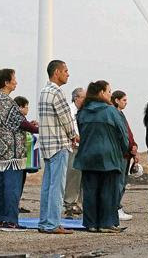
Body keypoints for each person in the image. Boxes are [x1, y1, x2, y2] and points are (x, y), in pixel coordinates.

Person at [74, 80, 129, 233]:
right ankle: (106, 223)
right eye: (109, 91)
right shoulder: (111, 111)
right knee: (108, 190)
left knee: (90, 191)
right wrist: (124, 150)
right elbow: (122, 134)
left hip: (87, 156)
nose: (110, 95)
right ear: (101, 93)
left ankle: (91, 224)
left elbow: (81, 131)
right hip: (108, 157)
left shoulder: (82, 111)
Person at [0, 68, 38, 232]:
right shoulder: (6, 101)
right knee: (12, 187)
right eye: (14, 78)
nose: (16, 81)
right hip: (12, 153)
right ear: (6, 82)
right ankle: (10, 220)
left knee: (0, 187)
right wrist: (38, 128)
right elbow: (20, 123)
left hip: (1, 152)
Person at [37, 60, 78, 235]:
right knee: (57, 187)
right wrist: (74, 136)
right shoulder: (57, 92)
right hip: (59, 144)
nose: (68, 74)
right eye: (66, 71)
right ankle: (53, 223)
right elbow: (66, 119)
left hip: (47, 145)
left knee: (48, 186)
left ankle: (44, 221)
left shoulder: (44, 92)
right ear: (56, 72)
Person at [111, 90, 138, 222]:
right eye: (124, 100)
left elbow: (128, 133)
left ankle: (117, 207)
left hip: (127, 153)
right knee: (118, 183)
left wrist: (134, 146)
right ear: (116, 100)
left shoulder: (121, 114)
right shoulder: (114, 114)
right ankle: (116, 208)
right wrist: (129, 147)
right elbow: (121, 134)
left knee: (122, 182)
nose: (126, 103)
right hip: (120, 153)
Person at [63, 87, 85, 218]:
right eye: (83, 97)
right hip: (74, 147)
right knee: (73, 175)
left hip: (84, 147)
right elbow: (71, 129)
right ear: (76, 97)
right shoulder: (70, 111)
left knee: (82, 177)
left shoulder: (84, 111)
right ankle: (69, 205)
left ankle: (79, 204)